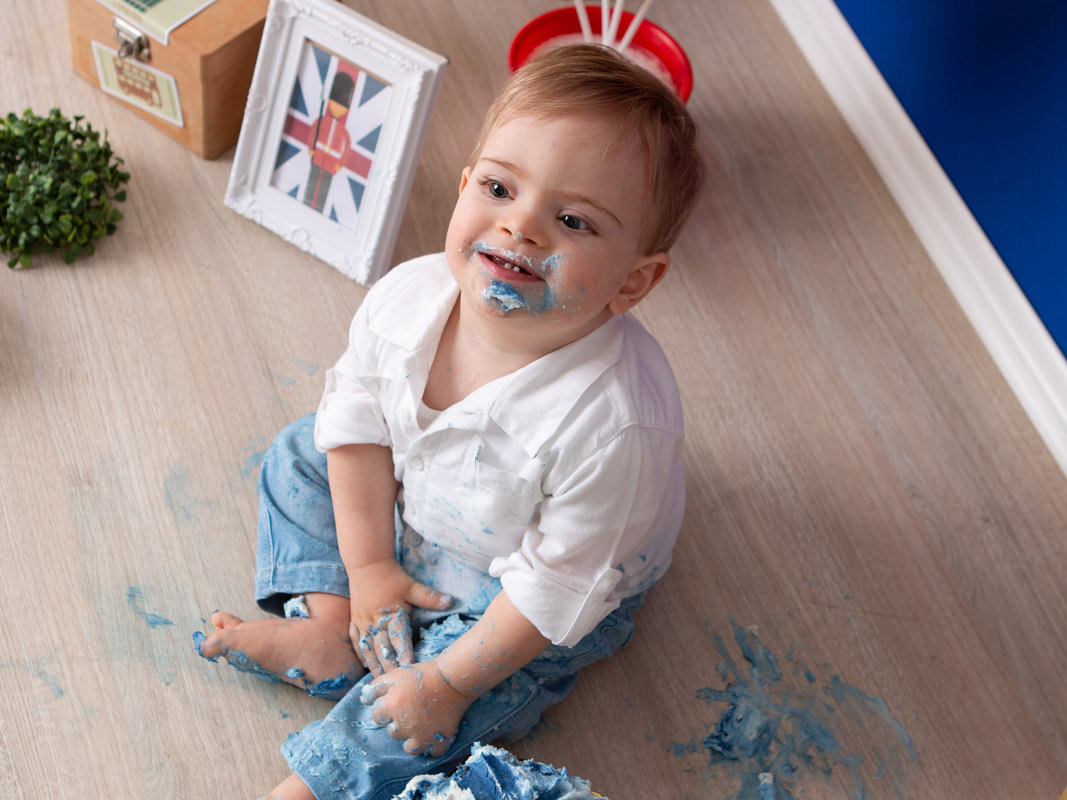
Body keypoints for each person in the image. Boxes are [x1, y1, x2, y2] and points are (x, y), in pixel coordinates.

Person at [193, 43, 705, 800]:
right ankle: (335, 618)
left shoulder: (614, 427)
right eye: (499, 187)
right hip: (422, 494)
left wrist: (449, 683)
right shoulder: (408, 298)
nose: (521, 227)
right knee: (305, 449)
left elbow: (550, 591)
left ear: (634, 280)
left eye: (572, 220)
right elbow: (361, 423)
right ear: (464, 189)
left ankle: (319, 778)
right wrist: (369, 570)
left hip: (526, 588)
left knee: (430, 703)